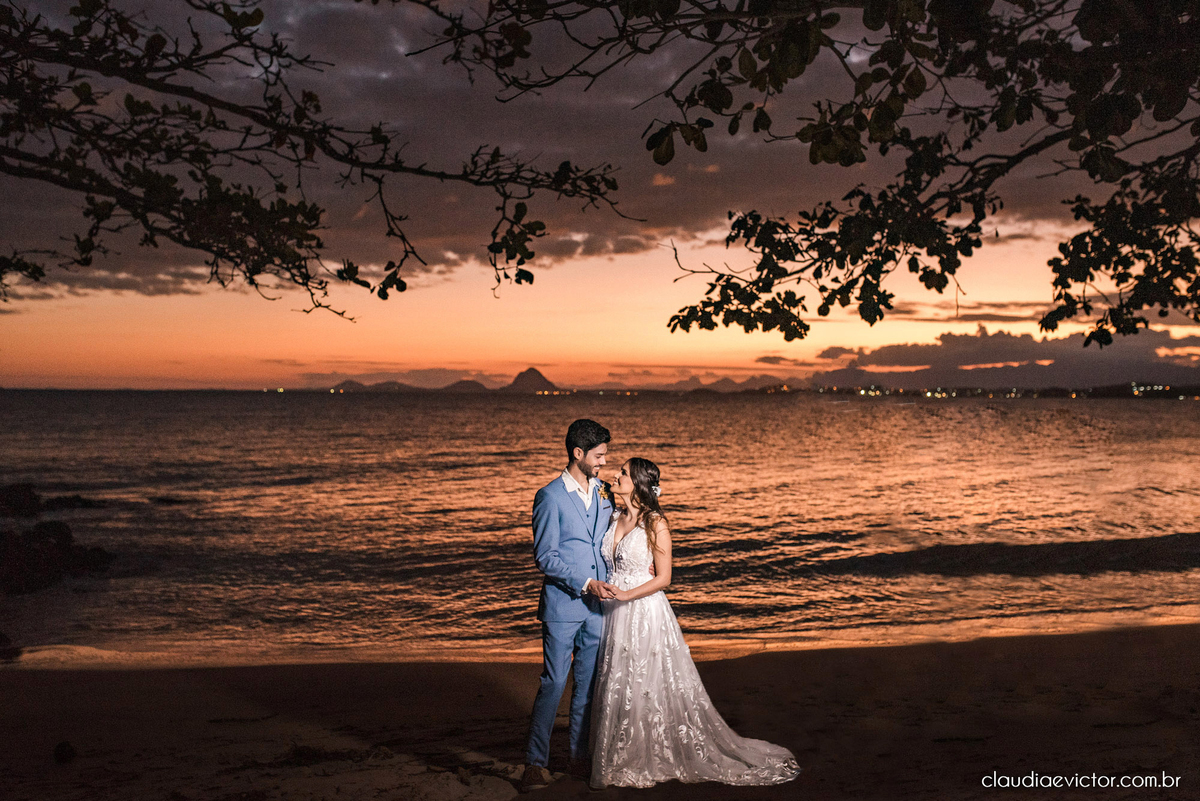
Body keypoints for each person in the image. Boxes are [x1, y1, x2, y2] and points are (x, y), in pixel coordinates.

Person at [589, 457, 801, 789]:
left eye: (624, 473)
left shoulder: (656, 523)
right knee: (619, 682)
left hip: (643, 612)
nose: (616, 474)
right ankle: (617, 752)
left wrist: (627, 596)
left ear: (639, 484)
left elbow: (664, 578)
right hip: (612, 613)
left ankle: (645, 754)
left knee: (645, 683)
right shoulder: (615, 516)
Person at [520, 419, 620, 793]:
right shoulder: (549, 496)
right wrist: (585, 583)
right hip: (563, 607)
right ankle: (534, 763)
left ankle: (579, 757)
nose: (604, 462)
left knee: (587, 685)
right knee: (553, 683)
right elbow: (545, 557)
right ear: (578, 453)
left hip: (598, 609)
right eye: (599, 456)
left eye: (605, 455)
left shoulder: (606, 493)